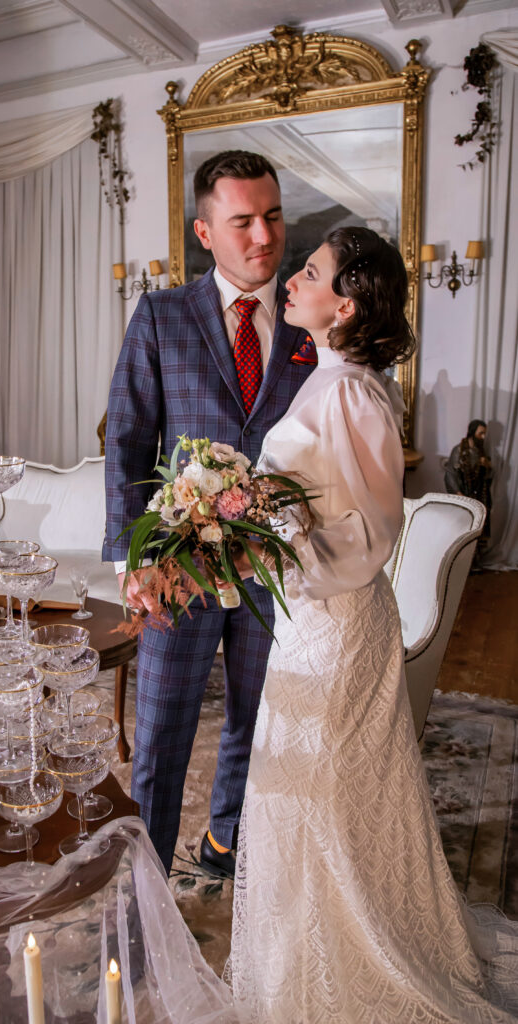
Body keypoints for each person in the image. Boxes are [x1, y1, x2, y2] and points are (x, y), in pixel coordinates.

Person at [228, 227, 518, 1022]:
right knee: (302, 793)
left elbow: (370, 534)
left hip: (337, 622)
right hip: (309, 617)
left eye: (310, 273)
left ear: (345, 304)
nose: (291, 279)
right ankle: (295, 957)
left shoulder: (351, 391)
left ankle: (343, 967)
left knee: (319, 795)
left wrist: (269, 535)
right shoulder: (329, 378)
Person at [102, 150, 317, 877]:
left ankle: (227, 839)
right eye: (243, 221)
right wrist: (134, 560)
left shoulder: (309, 324)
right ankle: (147, 877)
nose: (265, 236)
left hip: (275, 569)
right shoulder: (162, 316)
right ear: (204, 232)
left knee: (256, 723)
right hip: (179, 568)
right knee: (161, 730)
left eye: (274, 216)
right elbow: (128, 438)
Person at [445, 419, 493, 551]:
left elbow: (488, 477)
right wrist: (458, 493)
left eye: (484, 434)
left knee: (478, 527)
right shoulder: (459, 450)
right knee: (464, 528)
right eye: (480, 433)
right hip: (464, 494)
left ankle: (476, 559)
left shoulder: (480, 452)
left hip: (479, 495)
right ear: (472, 432)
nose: (483, 437)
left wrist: (486, 466)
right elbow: (450, 474)